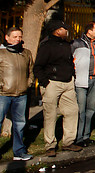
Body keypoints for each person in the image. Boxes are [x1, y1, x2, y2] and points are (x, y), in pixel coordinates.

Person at [34, 20, 83, 157]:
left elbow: (69, 63)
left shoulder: (67, 45)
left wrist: (72, 76)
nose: (67, 31)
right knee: (50, 115)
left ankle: (68, 142)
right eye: (64, 29)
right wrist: (45, 82)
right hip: (52, 83)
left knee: (72, 112)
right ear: (57, 31)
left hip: (67, 83)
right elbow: (38, 67)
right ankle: (50, 145)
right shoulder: (47, 46)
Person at [0, 27, 35, 161]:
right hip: (3, 94)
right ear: (7, 38)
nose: (18, 39)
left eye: (20, 37)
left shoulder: (26, 53)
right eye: (15, 37)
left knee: (20, 123)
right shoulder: (2, 53)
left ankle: (19, 152)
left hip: (21, 94)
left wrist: (29, 83)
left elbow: (31, 70)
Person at [71, 21, 95, 147]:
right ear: (89, 31)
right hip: (81, 80)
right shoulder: (76, 43)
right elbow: (71, 60)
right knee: (81, 110)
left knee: (90, 109)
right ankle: (78, 137)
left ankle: (86, 136)